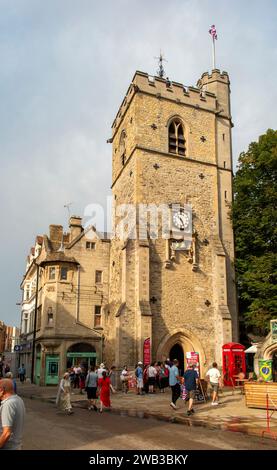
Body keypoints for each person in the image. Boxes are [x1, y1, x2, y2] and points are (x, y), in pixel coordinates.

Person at [0, 378, 25, 450]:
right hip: (16, 445)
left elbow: (6, 433)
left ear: (2, 390)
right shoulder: (18, 399)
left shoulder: (8, 404)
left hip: (8, 447)